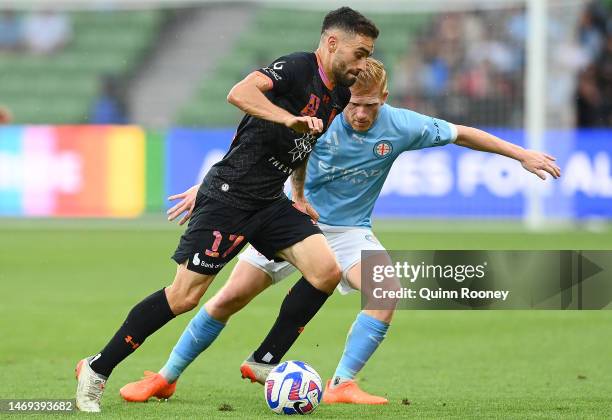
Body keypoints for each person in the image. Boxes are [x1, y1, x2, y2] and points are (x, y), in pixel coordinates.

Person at [118, 58, 561, 405]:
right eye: (355, 104)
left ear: (384, 96)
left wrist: (521, 154)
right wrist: (207, 188)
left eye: (372, 104)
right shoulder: (320, 115)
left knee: (386, 291)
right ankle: (165, 377)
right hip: (286, 220)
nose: (362, 113)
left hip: (348, 231)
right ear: (342, 96)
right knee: (227, 299)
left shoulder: (403, 125)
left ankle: (342, 383)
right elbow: (251, 152)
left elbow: (462, 134)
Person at [74, 7, 379, 412]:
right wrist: (289, 119)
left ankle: (264, 361)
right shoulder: (295, 68)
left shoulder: (339, 93)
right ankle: (97, 368)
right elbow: (239, 93)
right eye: (359, 53)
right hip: (229, 198)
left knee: (325, 271)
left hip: (271, 201)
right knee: (183, 297)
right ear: (332, 43)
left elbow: (305, 142)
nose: (363, 64)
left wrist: (299, 193)